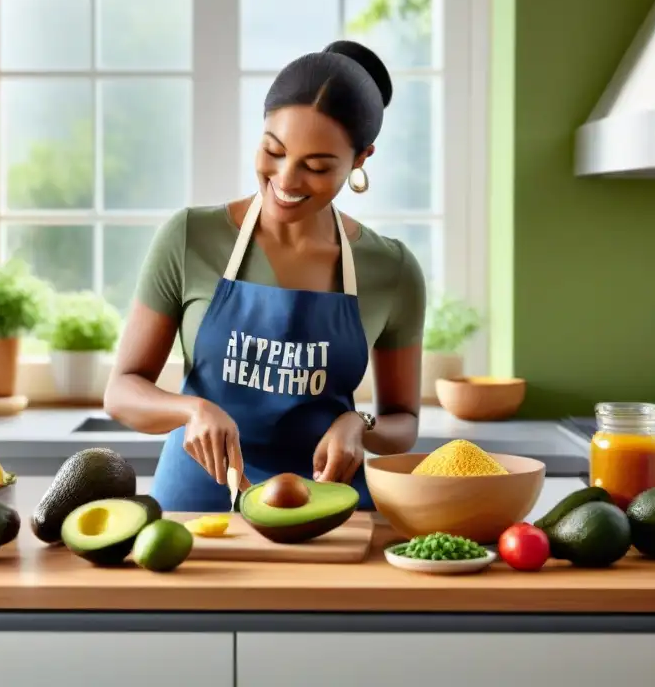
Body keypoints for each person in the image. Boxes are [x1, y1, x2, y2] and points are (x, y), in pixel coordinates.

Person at [104, 40, 427, 512]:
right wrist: (192, 409)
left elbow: (404, 422)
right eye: (274, 151)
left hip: (329, 508)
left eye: (317, 167)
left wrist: (359, 424)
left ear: (360, 160)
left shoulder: (392, 270)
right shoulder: (190, 237)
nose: (287, 180)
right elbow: (122, 390)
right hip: (197, 504)